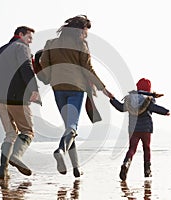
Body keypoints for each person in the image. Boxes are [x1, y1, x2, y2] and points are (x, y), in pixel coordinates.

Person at [39, 15, 113, 178]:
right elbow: (88, 68)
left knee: (68, 128)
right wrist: (103, 88)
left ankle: (76, 168)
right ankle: (60, 150)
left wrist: (50, 77)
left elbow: (43, 62)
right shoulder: (81, 44)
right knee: (72, 127)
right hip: (76, 87)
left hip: (58, 87)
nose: (86, 34)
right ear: (80, 30)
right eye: (86, 30)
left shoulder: (51, 43)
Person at [0, 26, 41, 179]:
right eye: (29, 38)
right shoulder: (21, 47)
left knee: (10, 134)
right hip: (17, 97)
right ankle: (16, 156)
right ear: (20, 35)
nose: (30, 42)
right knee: (27, 131)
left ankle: (3, 170)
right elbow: (26, 67)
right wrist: (33, 88)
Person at [109, 78, 170, 181]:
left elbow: (120, 107)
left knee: (132, 149)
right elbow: (155, 108)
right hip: (146, 129)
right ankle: (147, 171)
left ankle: (126, 164)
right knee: (146, 148)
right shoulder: (148, 99)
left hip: (133, 130)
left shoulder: (130, 99)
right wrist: (166, 111)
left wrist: (112, 99)